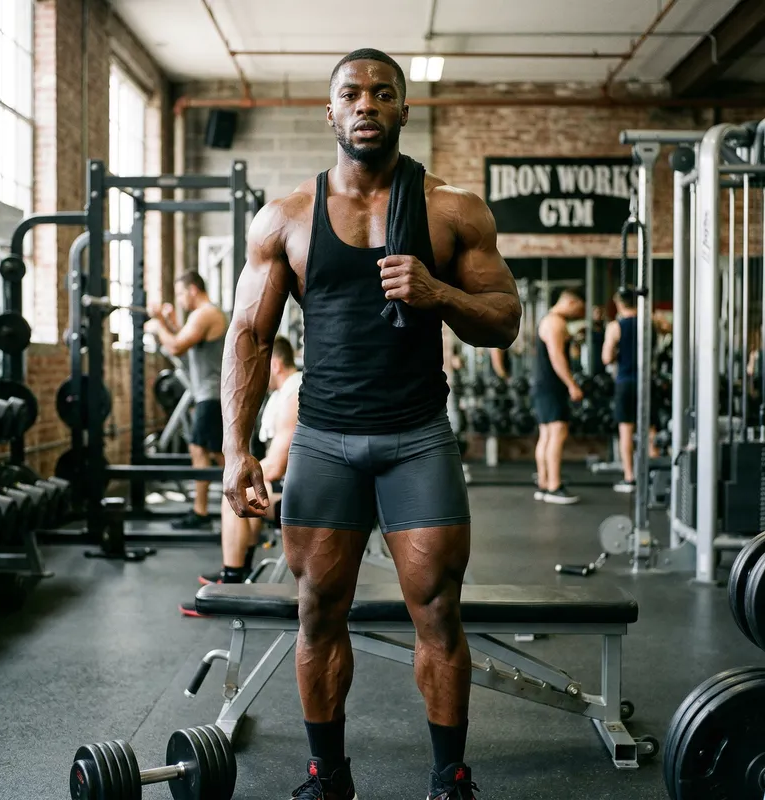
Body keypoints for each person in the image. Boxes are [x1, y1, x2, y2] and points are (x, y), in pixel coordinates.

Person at [221, 48, 520, 800]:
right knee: (318, 609)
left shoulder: (454, 211)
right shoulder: (285, 218)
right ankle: (329, 775)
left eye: (383, 94)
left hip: (417, 436)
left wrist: (437, 292)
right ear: (331, 112)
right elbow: (248, 338)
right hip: (323, 439)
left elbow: (506, 321)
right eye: (351, 93)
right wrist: (236, 450)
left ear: (402, 110)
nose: (366, 105)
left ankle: (450, 777)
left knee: (439, 610)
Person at [178, 336, 301, 616]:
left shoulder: (293, 393)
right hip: (292, 488)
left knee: (235, 494)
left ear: (276, 364)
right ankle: (240, 570)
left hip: (303, 497)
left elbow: (278, 465)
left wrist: (243, 478)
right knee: (251, 488)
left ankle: (231, 583)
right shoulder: (283, 393)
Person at [147, 271, 228, 529]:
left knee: (219, 455)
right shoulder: (203, 315)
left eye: (181, 294)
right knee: (204, 450)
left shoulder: (205, 314)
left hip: (212, 395)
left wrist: (158, 324)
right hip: (208, 394)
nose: (180, 300)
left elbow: (176, 347)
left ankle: (248, 506)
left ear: (193, 289)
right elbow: (185, 341)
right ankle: (204, 511)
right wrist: (167, 321)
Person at [532, 288, 585, 505]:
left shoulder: (548, 321)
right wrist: (572, 384)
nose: (578, 314)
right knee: (557, 433)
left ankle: (544, 484)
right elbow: (556, 357)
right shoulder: (555, 323)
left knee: (546, 435)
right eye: (579, 309)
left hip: (544, 386)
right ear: (571, 303)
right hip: (553, 386)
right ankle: (554, 486)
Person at [602, 289, 658, 493]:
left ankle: (630, 478)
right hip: (647, 382)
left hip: (625, 382)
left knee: (626, 430)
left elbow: (606, 358)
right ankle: (654, 476)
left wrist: (617, 352)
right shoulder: (650, 324)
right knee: (650, 429)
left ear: (619, 304)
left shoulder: (616, 326)